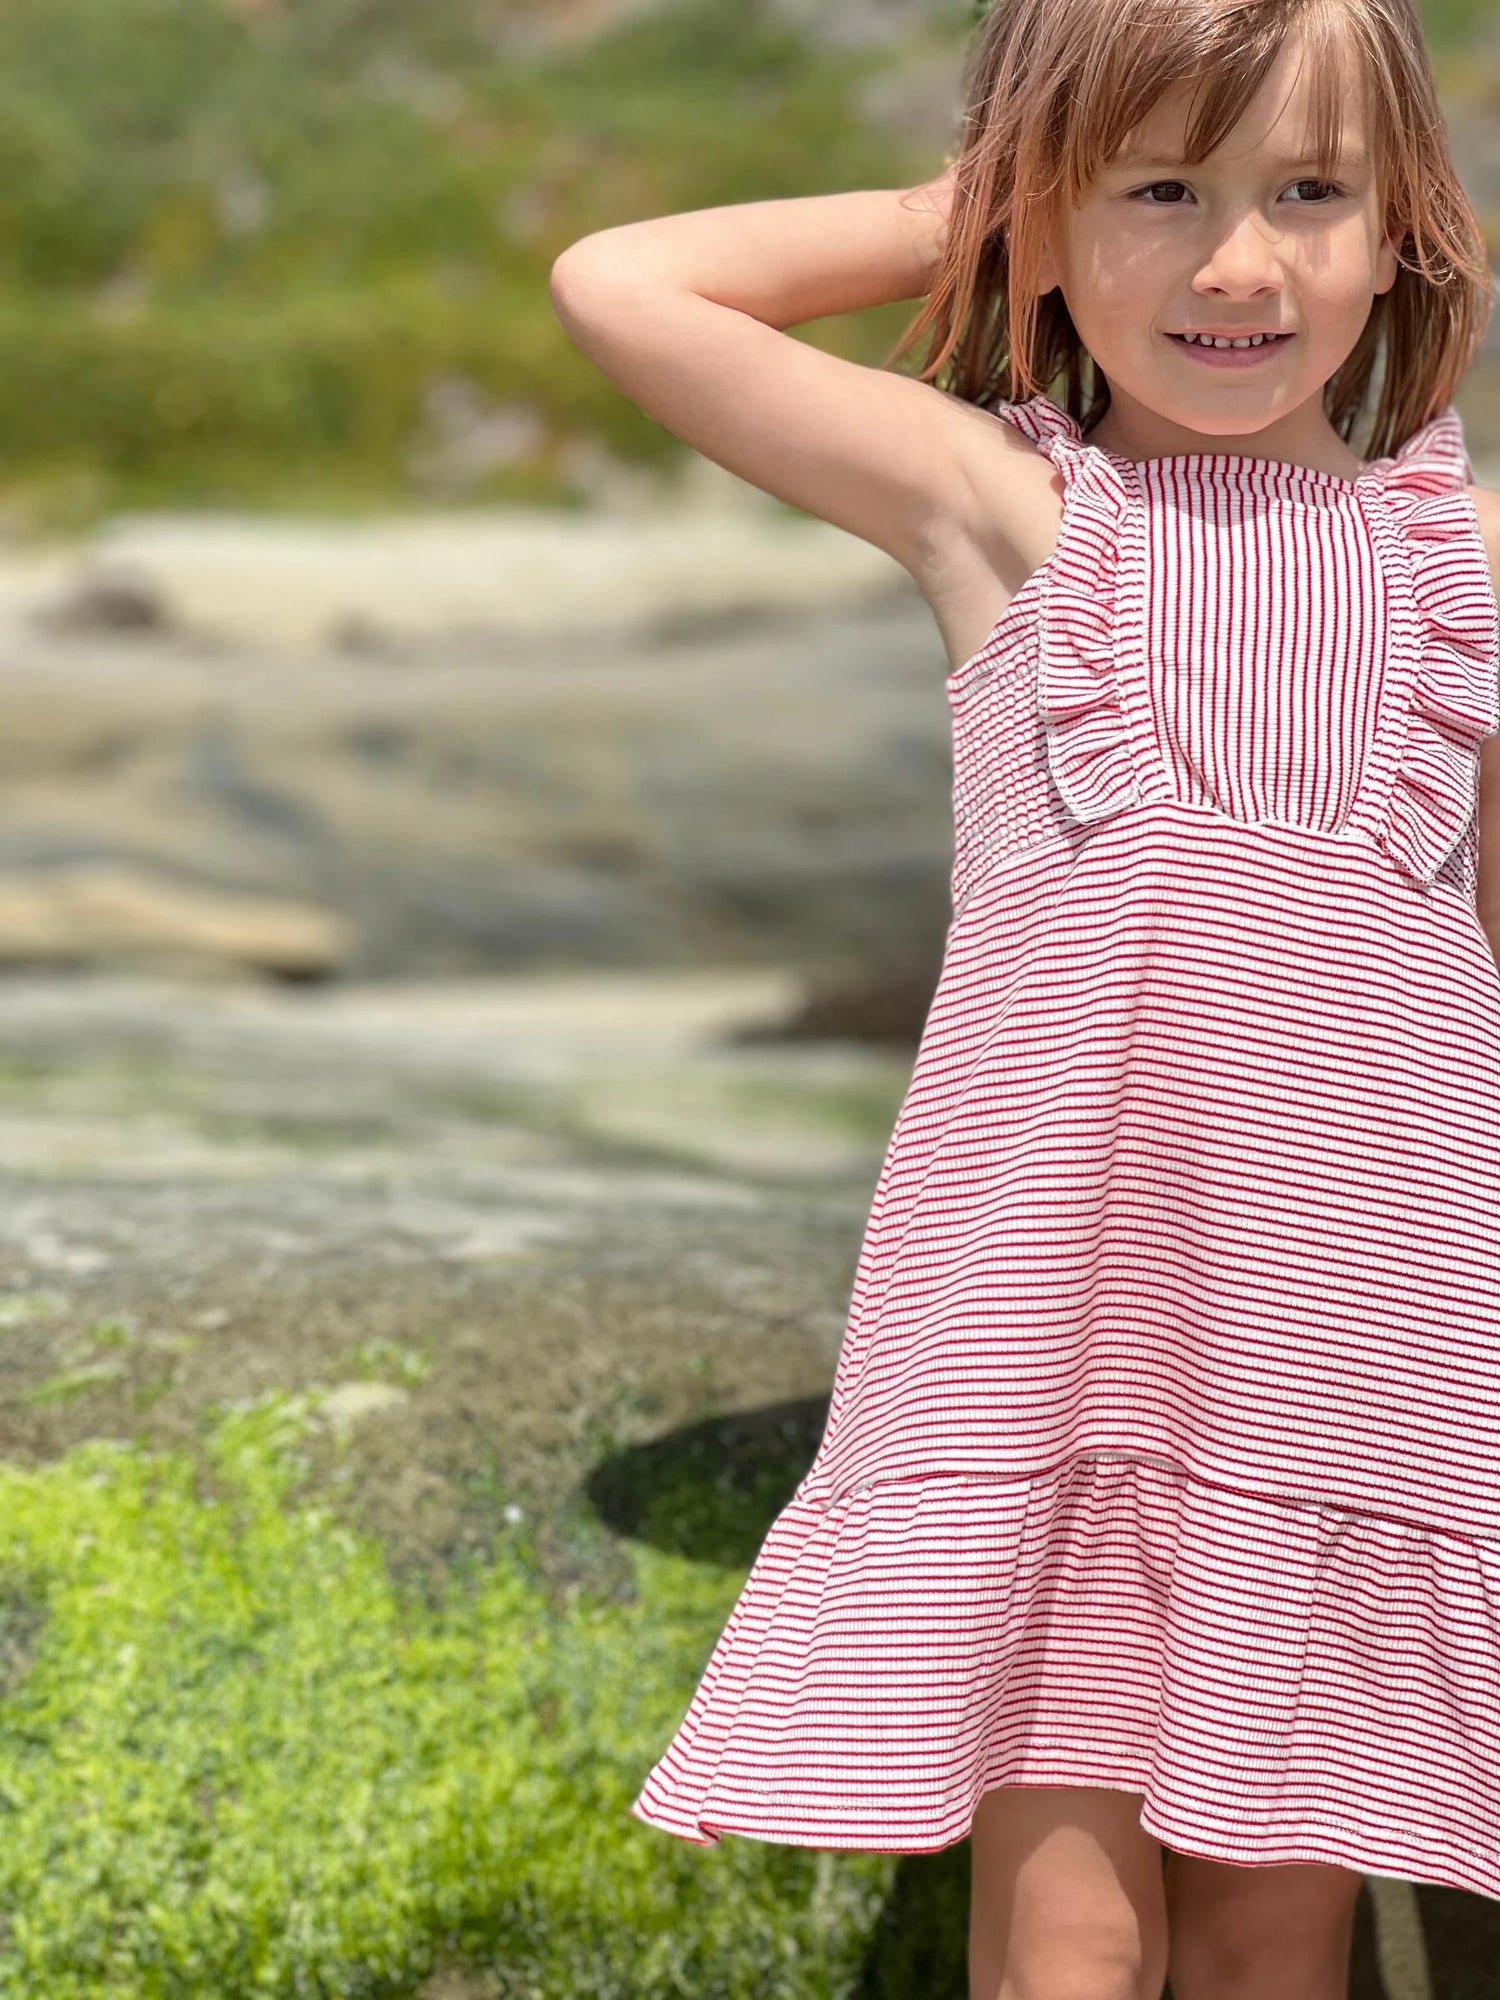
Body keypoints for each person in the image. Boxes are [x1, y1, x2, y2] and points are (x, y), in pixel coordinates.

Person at [550, 0, 1500, 1992]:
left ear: (1405, 222)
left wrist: (1095, 186)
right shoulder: (1013, 514)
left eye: (1309, 193)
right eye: (1162, 192)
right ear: (1047, 230)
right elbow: (623, 283)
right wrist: (971, 203)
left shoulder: (1464, 563)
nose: (1239, 261)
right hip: (1057, 1330)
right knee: (1061, 1932)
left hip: (1352, 1354)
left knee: (1279, 1934)